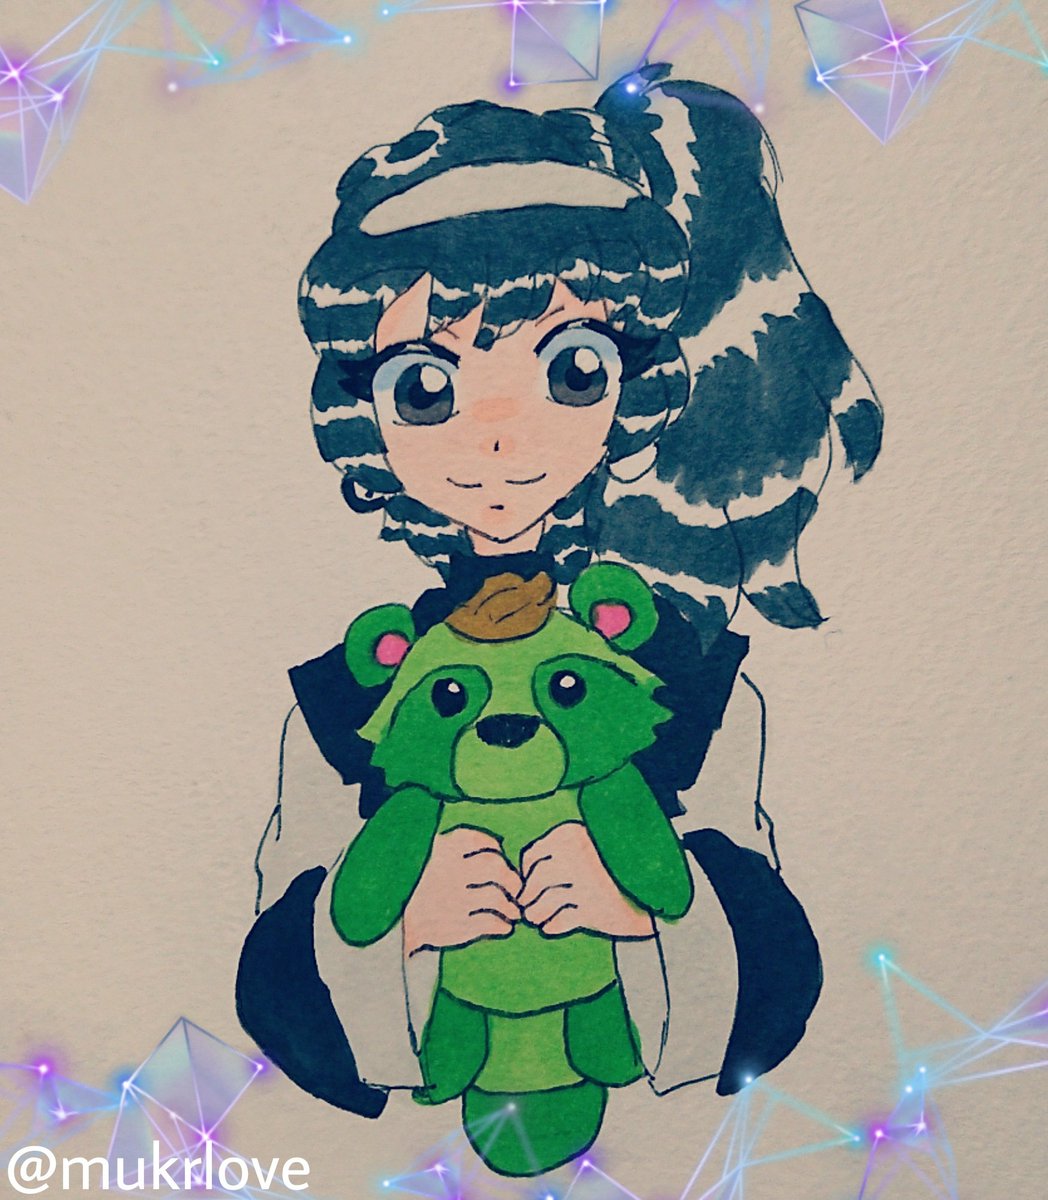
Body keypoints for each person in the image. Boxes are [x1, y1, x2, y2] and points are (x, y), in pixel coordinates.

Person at [236, 62, 882, 1124]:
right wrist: (400, 919)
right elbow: (276, 974)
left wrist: (649, 904)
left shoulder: (689, 677)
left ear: (633, 392)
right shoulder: (349, 697)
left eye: (570, 372)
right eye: (427, 387)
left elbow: (771, 964)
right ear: (366, 425)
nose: (497, 435)